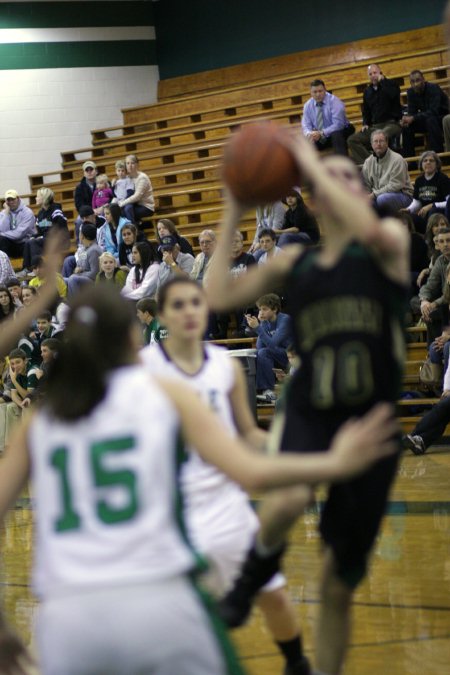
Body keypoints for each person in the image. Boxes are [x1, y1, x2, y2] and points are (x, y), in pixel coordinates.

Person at [0, 284, 398, 675]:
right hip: (158, 586)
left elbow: (245, 437)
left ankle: (294, 661)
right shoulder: (159, 386)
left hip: (67, 617)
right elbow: (251, 470)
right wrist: (334, 460)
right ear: (134, 332)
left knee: (272, 595)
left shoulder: (41, 417)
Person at [206, 132, 409, 675]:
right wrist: (234, 206)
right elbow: (217, 296)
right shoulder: (293, 265)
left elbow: (367, 226)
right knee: (289, 497)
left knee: (335, 585)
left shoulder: (386, 239)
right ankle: (252, 574)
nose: (342, 183)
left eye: (349, 177)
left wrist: (306, 163)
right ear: (314, 200)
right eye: (331, 177)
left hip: (372, 422)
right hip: (312, 404)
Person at [347, 64, 402, 165]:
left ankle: (380, 163)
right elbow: (366, 111)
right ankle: (372, 163)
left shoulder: (391, 84)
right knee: (352, 140)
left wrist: (383, 82)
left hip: (392, 124)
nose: (373, 75)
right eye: (370, 74)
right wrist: (365, 123)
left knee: (380, 135)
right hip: (375, 126)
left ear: (380, 73)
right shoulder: (367, 91)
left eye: (375, 73)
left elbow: (393, 96)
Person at [244, 293, 292, 404]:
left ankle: (268, 391)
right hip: (277, 357)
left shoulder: (285, 320)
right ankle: (255, 391)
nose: (261, 313)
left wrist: (257, 328)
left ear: (274, 309)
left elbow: (273, 344)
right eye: (260, 310)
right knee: (255, 354)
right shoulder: (265, 322)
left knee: (264, 353)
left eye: (264, 309)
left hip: (291, 357)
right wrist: (261, 325)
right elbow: (259, 347)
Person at [362, 130, 413, 213]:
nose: (378, 144)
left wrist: (373, 195)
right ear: (371, 144)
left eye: (381, 141)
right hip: (377, 196)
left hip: (403, 195)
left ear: (387, 143)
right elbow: (366, 186)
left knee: (382, 199)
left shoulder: (397, 159)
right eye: (375, 141)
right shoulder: (368, 162)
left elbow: (396, 185)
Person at [400, 70, 448, 158]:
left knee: (431, 120)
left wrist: (413, 118)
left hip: (442, 118)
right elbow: (412, 113)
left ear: (423, 79)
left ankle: (438, 157)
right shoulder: (410, 92)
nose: (415, 84)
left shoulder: (434, 88)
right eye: (413, 82)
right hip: (426, 119)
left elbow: (434, 111)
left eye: (418, 80)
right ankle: (410, 162)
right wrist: (407, 120)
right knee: (406, 127)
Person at [21, 187, 69, 275]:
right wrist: (34, 236)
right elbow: (39, 232)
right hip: (46, 240)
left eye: (38, 196)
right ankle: (27, 269)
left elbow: (60, 230)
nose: (35, 198)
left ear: (44, 197)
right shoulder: (40, 213)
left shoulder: (56, 211)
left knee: (34, 242)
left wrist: (42, 237)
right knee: (28, 241)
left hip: (59, 240)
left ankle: (38, 267)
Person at [301, 79, 355, 156]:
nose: (318, 94)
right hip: (321, 136)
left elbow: (338, 125)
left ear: (325, 90)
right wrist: (310, 134)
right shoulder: (307, 106)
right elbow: (305, 126)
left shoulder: (334, 101)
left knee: (336, 135)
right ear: (310, 93)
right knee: (304, 142)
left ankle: (343, 164)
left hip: (342, 131)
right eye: (315, 92)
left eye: (320, 91)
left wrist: (322, 133)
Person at [404, 151, 450, 233]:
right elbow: (417, 202)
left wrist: (432, 205)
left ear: (437, 164)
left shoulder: (443, 178)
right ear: (421, 164)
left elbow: (449, 202)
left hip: (439, 214)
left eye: (431, 160)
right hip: (424, 215)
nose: (428, 162)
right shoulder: (419, 180)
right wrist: (408, 210)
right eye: (425, 160)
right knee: (410, 217)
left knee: (433, 211)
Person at [65, 223, 102, 296]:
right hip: (83, 277)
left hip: (93, 281)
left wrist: (79, 274)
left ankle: (77, 305)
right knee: (63, 280)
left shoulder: (94, 250)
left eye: (80, 233)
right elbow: (79, 265)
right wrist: (77, 269)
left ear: (83, 236)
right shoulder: (84, 249)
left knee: (72, 279)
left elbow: (94, 273)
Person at [0, 190, 36, 258]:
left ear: (18, 199)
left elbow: (19, 234)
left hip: (24, 245)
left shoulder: (27, 212)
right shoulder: (4, 213)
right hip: (11, 244)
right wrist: (7, 214)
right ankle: (3, 265)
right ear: (5, 202)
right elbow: (1, 229)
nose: (11, 202)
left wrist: (2, 234)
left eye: (13, 199)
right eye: (8, 200)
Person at [119, 154, 155, 223]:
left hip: (146, 207)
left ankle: (134, 231)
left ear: (137, 165)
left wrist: (122, 203)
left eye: (132, 163)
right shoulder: (128, 177)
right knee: (120, 210)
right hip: (134, 205)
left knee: (126, 210)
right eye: (127, 163)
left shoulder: (142, 178)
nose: (130, 165)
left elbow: (137, 197)